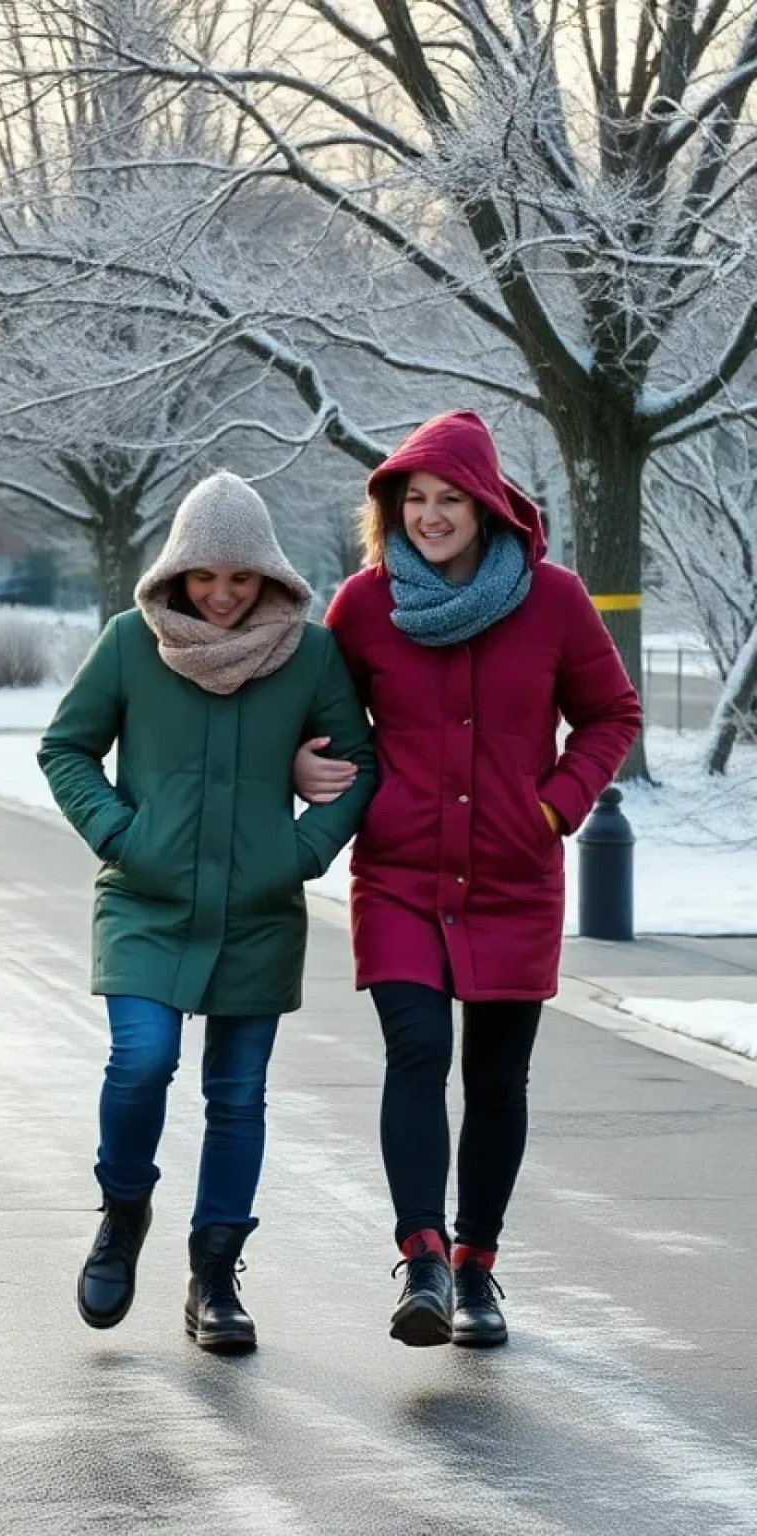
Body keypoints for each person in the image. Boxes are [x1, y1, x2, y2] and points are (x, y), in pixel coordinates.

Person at [297, 410, 641, 1348]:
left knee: (497, 1078)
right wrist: (307, 769)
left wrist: (554, 806)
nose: (433, 515)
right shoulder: (363, 607)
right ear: (391, 507)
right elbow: (321, 720)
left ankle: (479, 1268)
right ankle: (423, 1261)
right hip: (402, 872)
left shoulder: (553, 600)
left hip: (512, 875)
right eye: (416, 499)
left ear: (486, 505)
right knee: (416, 1051)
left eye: (451, 498)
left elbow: (612, 713)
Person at [39, 472, 377, 1352]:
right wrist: (122, 835)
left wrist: (300, 853)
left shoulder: (308, 655)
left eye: (240, 578)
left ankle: (215, 1277)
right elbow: (66, 748)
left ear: (268, 574)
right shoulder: (128, 644)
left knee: (238, 1097)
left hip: (258, 911)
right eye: (204, 577)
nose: (222, 596)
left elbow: (359, 768)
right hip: (145, 902)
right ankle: (123, 1213)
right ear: (177, 573)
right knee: (141, 1061)